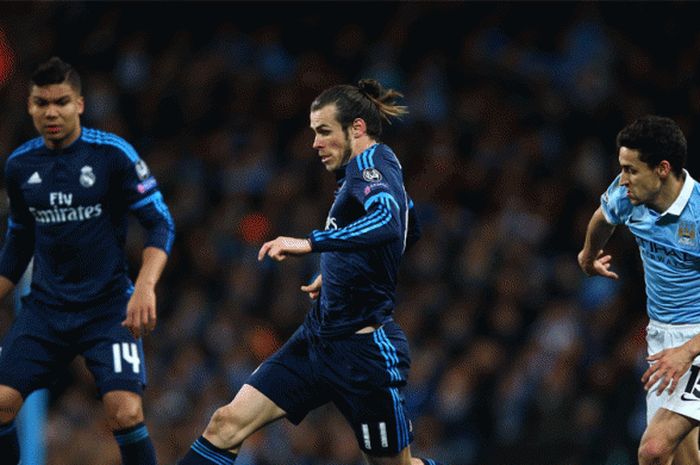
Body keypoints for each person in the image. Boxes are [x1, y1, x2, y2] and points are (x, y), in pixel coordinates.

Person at [178, 79, 442, 465]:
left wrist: (311, 243)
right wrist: (343, 272)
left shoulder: (370, 165)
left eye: (323, 131)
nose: (315, 143)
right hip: (318, 338)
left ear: (356, 128)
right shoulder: (369, 170)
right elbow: (409, 225)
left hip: (363, 354)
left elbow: (389, 220)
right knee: (226, 423)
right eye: (313, 132)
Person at [0, 57, 174, 465]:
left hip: (108, 307)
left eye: (61, 101)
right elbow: (18, 246)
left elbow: (159, 222)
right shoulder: (20, 166)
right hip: (45, 310)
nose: (51, 112)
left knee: (125, 412)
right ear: (30, 106)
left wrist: (145, 285)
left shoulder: (112, 155)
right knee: (1, 403)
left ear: (79, 104)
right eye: (42, 103)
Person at [578, 115, 700, 464]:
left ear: (662, 169)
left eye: (631, 170)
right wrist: (588, 257)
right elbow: (603, 218)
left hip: (697, 342)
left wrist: (688, 351)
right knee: (682, 458)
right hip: (662, 340)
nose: (622, 179)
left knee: (653, 450)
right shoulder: (627, 195)